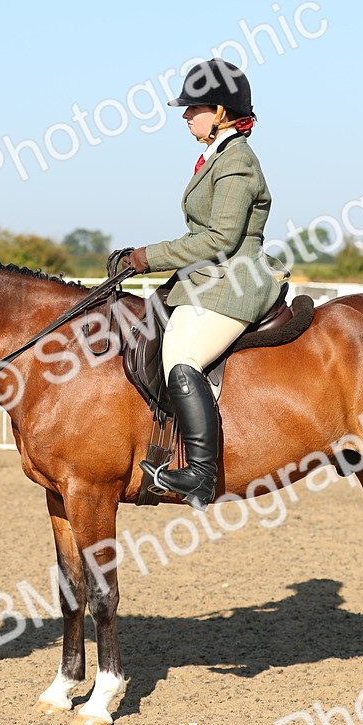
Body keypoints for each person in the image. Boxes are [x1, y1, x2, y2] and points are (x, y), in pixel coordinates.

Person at [122, 58, 290, 511]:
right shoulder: (217, 158)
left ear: (220, 112)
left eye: (192, 107)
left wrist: (147, 257)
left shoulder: (237, 163)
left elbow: (220, 238)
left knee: (182, 355)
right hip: (208, 278)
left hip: (234, 281)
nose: (184, 116)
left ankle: (200, 473)